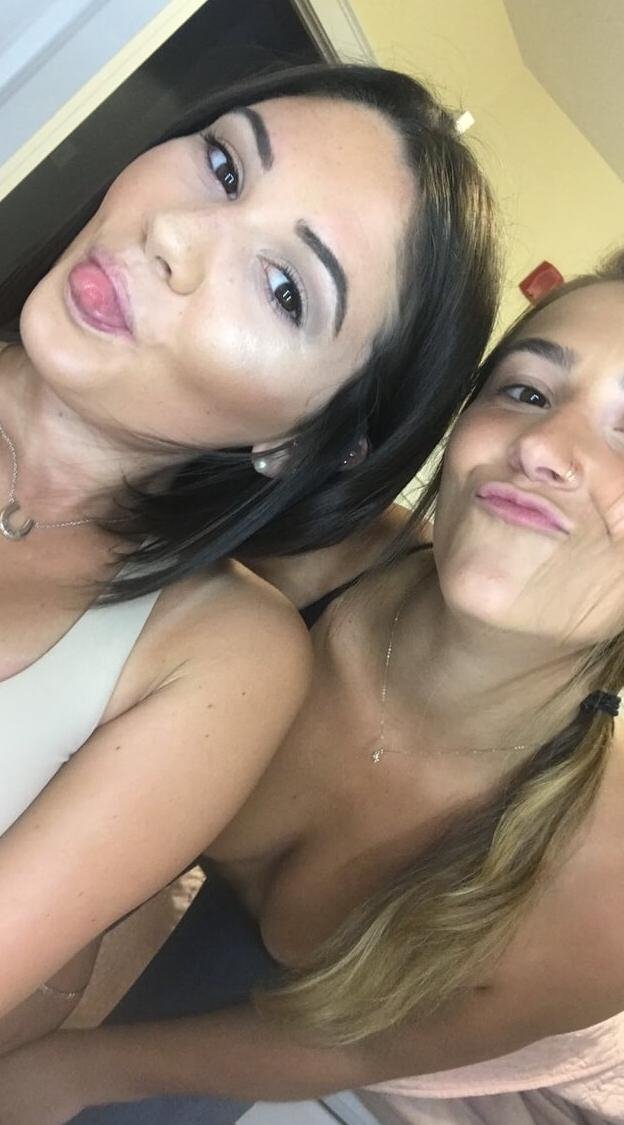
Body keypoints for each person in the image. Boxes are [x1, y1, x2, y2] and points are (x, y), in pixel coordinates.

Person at [8, 251, 624, 1125]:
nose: (545, 447)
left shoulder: (606, 895)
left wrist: (77, 1070)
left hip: (325, 997)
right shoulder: (291, 556)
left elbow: (350, 1045)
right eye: (526, 391)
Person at [0, 60, 499, 1043]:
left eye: (282, 288)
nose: (175, 235)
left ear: (307, 438)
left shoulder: (221, 653)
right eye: (225, 167)